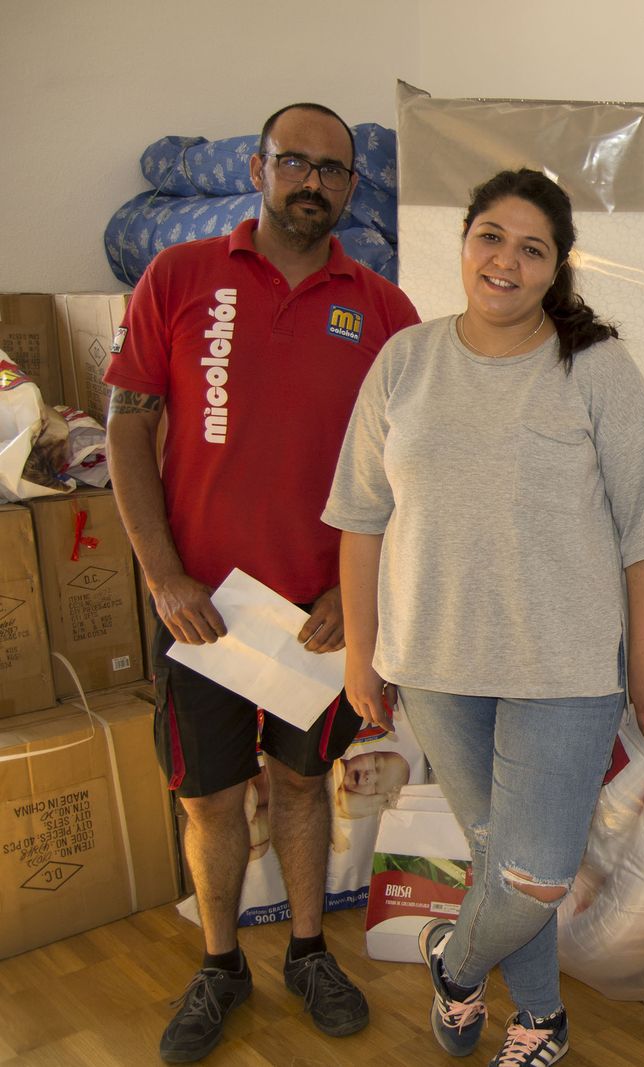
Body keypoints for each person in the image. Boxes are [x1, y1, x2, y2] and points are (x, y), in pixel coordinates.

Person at [323, 167, 644, 1067]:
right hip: (435, 662)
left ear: (556, 268)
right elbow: (362, 516)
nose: (506, 261)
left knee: (532, 874)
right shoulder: (404, 361)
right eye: (491, 236)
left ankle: (454, 963)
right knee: (497, 855)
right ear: (464, 242)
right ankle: (540, 1016)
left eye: (532, 248)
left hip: (563, 668)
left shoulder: (595, 368)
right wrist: (361, 653)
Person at [104, 102, 421, 1063]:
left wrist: (351, 593)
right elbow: (126, 429)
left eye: (333, 169)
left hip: (314, 618)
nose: (312, 182)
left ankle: (307, 950)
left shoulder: (381, 308)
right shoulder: (181, 277)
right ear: (258, 167)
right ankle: (218, 964)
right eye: (296, 162)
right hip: (204, 609)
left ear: (351, 187)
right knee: (206, 796)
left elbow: (416, 467)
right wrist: (163, 576)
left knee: (298, 784)